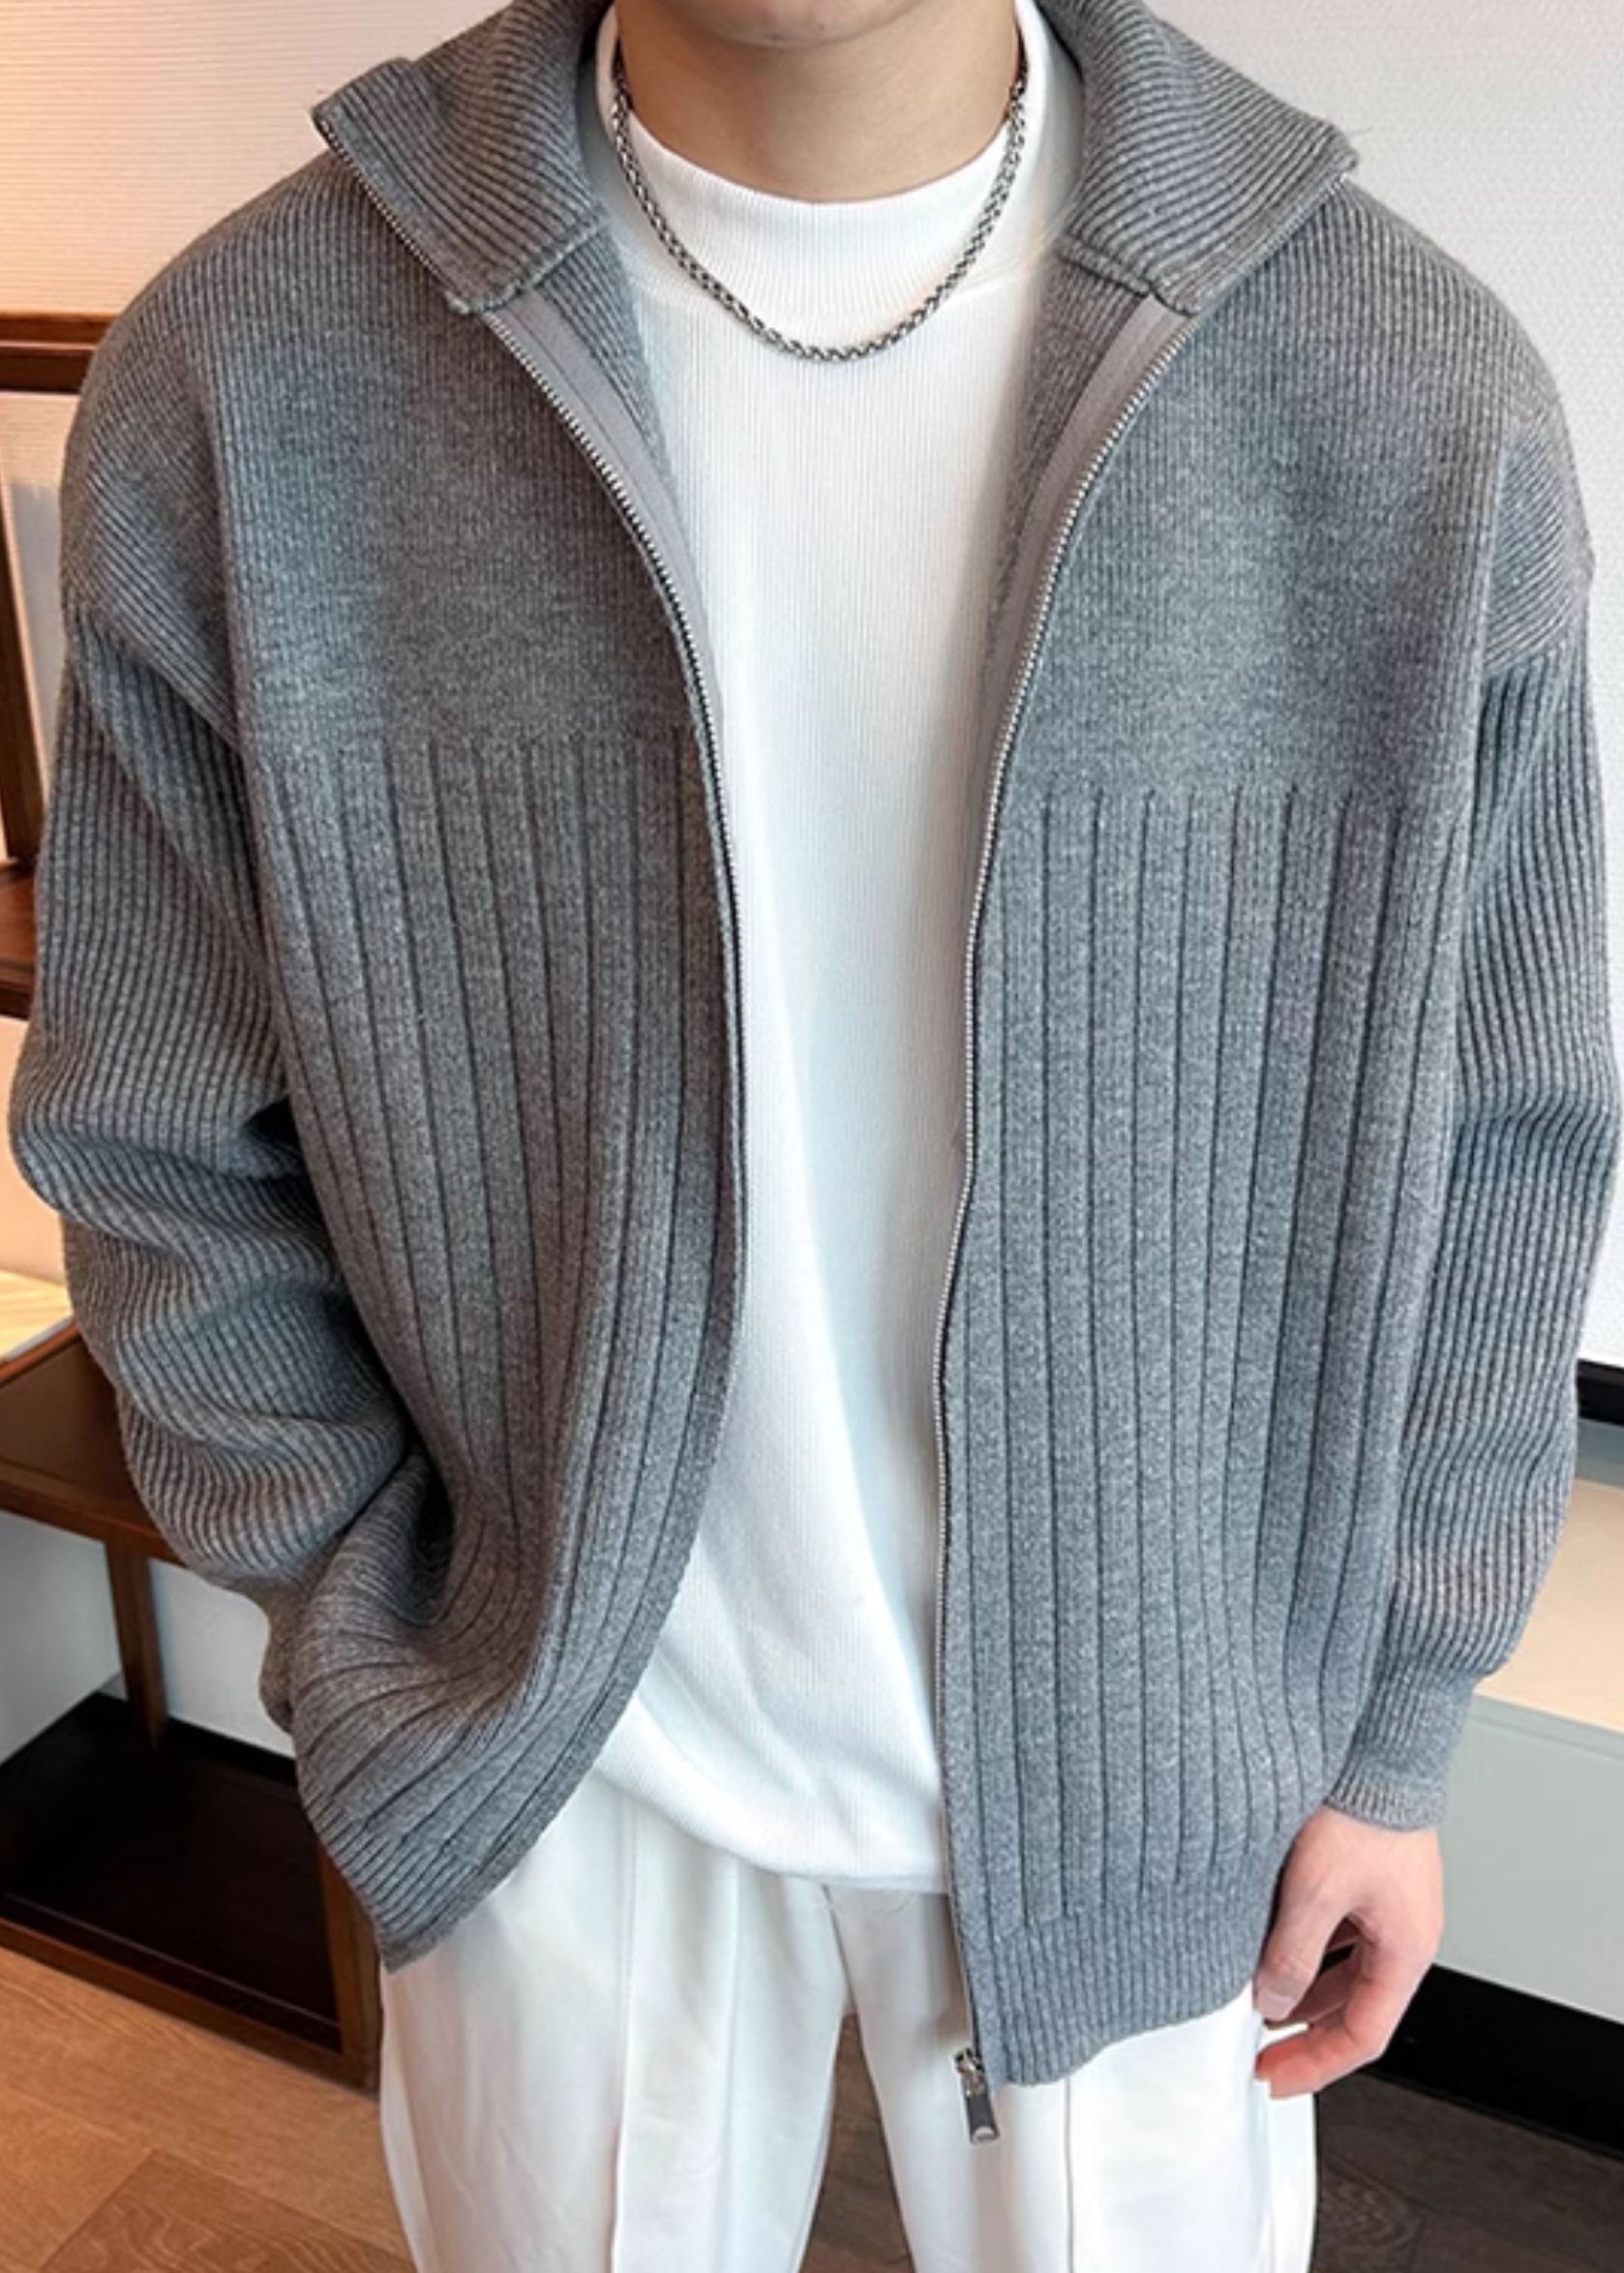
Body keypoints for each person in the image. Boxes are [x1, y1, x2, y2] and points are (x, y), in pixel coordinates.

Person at [11, 0, 1617, 2263]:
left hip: (1168, 1768)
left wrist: (1394, 1724)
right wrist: (370, 1636)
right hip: (556, 1752)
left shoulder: (1405, 394)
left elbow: (1505, 1147)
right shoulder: (248, 380)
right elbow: (157, 1138)